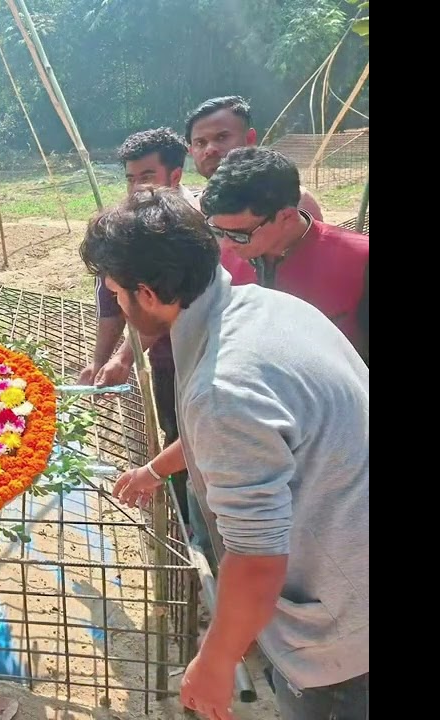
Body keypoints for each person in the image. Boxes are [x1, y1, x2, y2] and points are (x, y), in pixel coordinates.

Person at [80, 187, 368, 720]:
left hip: (345, 638)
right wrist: (154, 468)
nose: (116, 305)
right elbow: (251, 435)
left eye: (117, 294)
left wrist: (214, 663)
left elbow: (256, 561)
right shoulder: (262, 307)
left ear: (146, 293)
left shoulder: (224, 388)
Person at [80, 127, 203, 545]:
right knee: (177, 431)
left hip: (195, 353)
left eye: (146, 176)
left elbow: (158, 306)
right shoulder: (130, 226)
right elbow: (112, 302)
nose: (136, 187)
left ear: (175, 175)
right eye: (131, 178)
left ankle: (198, 531)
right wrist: (103, 360)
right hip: (168, 360)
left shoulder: (196, 226)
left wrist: (124, 360)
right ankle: (186, 521)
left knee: (198, 439)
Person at [203, 147, 369, 364]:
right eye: (217, 230)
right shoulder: (218, 259)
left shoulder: (359, 261)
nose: (226, 244)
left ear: (287, 216)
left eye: (239, 235)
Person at [184, 95, 324, 221]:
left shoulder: (295, 203)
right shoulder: (192, 212)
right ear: (190, 151)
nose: (210, 150)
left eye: (222, 137)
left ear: (250, 139)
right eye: (200, 143)